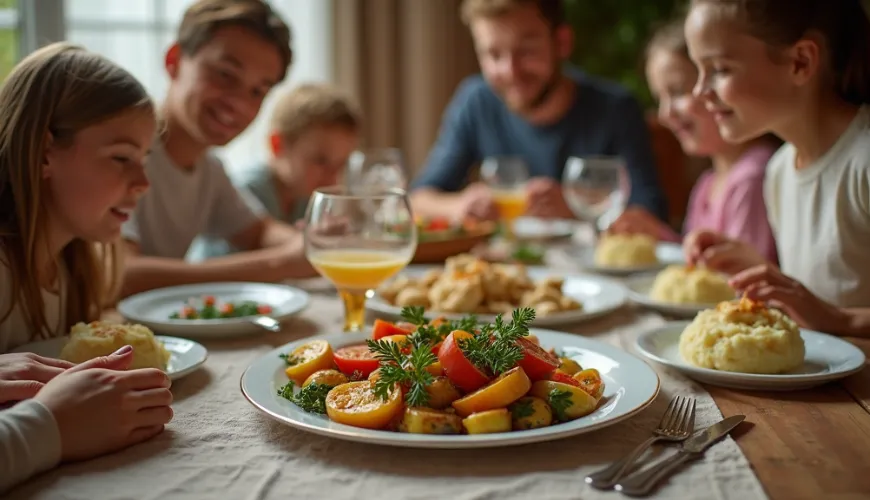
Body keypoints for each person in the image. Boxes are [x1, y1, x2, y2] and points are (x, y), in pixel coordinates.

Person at [0, 43, 173, 493]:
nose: (143, 183)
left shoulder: (73, 267)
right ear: (43, 154)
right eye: (121, 157)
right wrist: (51, 426)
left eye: (145, 160)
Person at [682, 0, 870, 337]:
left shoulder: (863, 162)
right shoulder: (780, 171)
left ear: (801, 62)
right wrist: (755, 266)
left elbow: (831, 314)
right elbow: (822, 298)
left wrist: (843, 322)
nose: (699, 92)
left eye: (720, 69)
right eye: (698, 70)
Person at [121, 0, 317, 298]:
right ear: (174, 60)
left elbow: (260, 232)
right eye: (225, 74)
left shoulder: (209, 168)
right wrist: (280, 262)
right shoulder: (123, 152)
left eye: (257, 91)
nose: (240, 103)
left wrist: (313, 243)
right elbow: (121, 274)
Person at [410, 0, 668, 224]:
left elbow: (652, 214)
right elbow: (419, 198)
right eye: (493, 54)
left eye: (527, 50)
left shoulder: (616, 109)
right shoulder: (475, 101)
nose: (510, 71)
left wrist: (577, 208)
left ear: (562, 42)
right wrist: (459, 206)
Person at [609, 18, 779, 264]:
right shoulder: (708, 183)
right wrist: (657, 235)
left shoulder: (752, 177)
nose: (665, 114)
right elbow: (696, 264)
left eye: (677, 91)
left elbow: (743, 286)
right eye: (659, 98)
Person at [193, 83, 361, 259]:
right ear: (277, 145)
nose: (332, 176)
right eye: (320, 161)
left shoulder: (305, 198)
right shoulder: (247, 191)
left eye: (341, 164)